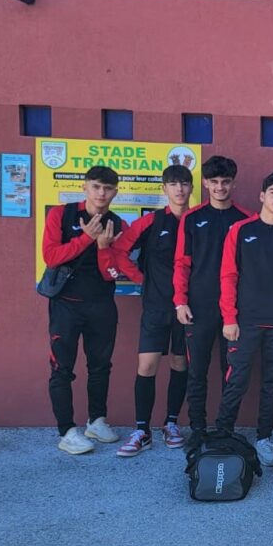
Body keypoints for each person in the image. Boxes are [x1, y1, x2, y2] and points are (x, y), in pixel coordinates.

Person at [216, 172, 273, 466]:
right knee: (237, 380)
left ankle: (264, 438)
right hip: (244, 322)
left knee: (272, 383)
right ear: (261, 196)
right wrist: (229, 318)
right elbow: (228, 276)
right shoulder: (241, 230)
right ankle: (223, 434)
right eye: (272, 192)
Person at [107, 165, 193, 456]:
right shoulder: (151, 222)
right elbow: (120, 253)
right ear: (164, 189)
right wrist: (143, 279)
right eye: (173, 184)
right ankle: (142, 429)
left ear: (192, 188)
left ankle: (171, 423)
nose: (179, 189)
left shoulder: (198, 222)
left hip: (189, 308)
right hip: (156, 306)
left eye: (183, 184)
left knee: (180, 364)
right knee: (147, 366)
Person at [42, 166, 126, 455]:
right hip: (66, 304)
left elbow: (114, 272)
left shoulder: (117, 223)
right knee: (61, 369)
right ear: (85, 187)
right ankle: (66, 430)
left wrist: (103, 248)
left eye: (107, 188)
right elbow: (50, 256)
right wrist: (86, 238)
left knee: (101, 366)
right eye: (96, 187)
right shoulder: (61, 215)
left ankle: (96, 420)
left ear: (115, 192)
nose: (101, 193)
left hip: (102, 304)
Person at [173, 156, 251, 445]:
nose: (220, 187)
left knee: (231, 371)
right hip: (199, 306)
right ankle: (197, 429)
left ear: (233, 182)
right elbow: (182, 263)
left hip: (235, 310)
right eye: (214, 182)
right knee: (197, 371)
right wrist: (180, 301)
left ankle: (224, 428)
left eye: (225, 182)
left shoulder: (245, 220)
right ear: (205, 183)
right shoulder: (192, 218)